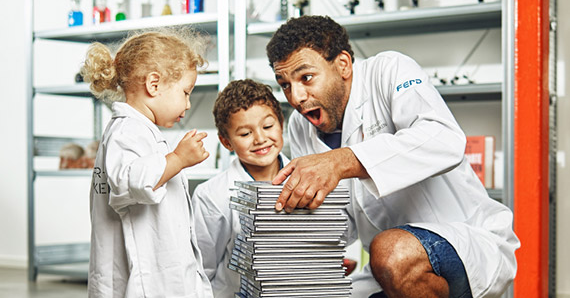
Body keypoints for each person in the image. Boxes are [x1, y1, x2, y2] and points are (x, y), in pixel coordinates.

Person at [266, 15, 520, 298]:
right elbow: (339, 216)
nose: (296, 97)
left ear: (343, 65)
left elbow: (444, 139)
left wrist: (341, 161)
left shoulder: (388, 71)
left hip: (464, 244)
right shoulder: (301, 126)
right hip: (385, 269)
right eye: (285, 84)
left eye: (306, 77)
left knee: (391, 252)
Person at [81, 28, 214, 297]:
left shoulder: (140, 131)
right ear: (154, 85)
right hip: (140, 278)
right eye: (186, 92)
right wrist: (177, 159)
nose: (188, 104)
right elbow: (129, 182)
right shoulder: (126, 131)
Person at [192, 79, 289, 298]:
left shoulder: (305, 179)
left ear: (281, 122)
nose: (261, 139)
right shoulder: (212, 196)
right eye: (245, 134)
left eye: (268, 126)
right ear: (226, 142)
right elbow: (202, 269)